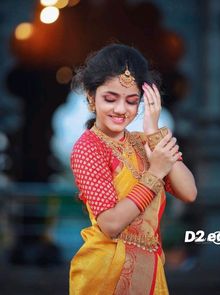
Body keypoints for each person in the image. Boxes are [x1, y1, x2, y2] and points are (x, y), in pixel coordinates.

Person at [69, 44, 197, 295]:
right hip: (107, 273)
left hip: (150, 270)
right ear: (91, 96)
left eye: (131, 101)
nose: (120, 110)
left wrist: (152, 131)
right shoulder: (88, 148)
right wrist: (155, 172)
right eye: (110, 98)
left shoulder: (144, 142)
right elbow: (111, 223)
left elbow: (189, 192)